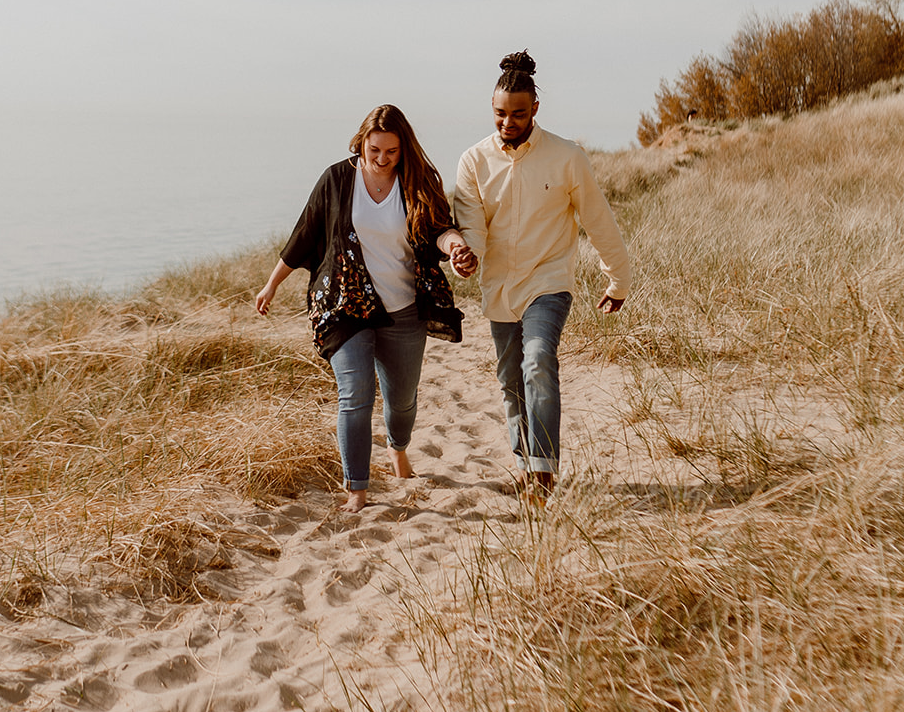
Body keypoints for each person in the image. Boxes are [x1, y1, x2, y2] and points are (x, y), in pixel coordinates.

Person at [256, 104, 477, 513]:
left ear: (403, 149)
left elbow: (439, 230)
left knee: (402, 399)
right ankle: (356, 488)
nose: (381, 160)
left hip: (403, 308)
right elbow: (304, 233)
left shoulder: (416, 181)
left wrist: (456, 245)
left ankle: (398, 447)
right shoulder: (338, 178)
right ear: (362, 143)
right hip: (346, 306)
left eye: (391, 152)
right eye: (375, 150)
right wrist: (272, 285)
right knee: (356, 394)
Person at [453, 51, 631, 498]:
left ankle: (545, 474)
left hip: (549, 282)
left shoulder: (568, 157)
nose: (507, 123)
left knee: (537, 361)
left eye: (517, 113)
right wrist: (467, 255)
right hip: (498, 287)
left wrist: (619, 281)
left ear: (534, 109)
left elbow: (599, 220)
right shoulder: (473, 161)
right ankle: (526, 465)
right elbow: (472, 225)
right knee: (510, 379)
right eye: (499, 114)